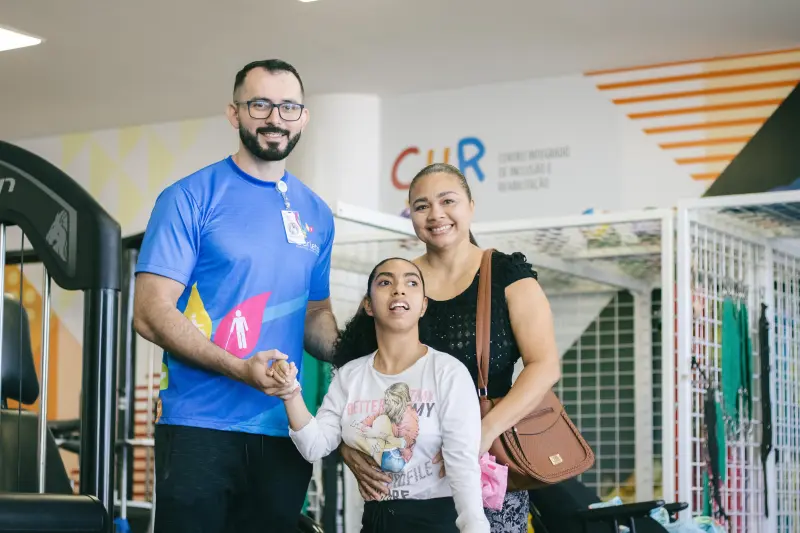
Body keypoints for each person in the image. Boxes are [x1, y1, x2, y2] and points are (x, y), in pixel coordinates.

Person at [132, 59, 338, 533]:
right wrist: (239, 368)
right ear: (234, 113)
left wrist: (364, 353)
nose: (274, 118)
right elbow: (149, 312)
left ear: (303, 117)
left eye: (289, 107)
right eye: (260, 104)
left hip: (285, 428)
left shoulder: (317, 214)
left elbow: (316, 314)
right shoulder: (189, 197)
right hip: (200, 427)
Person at [339, 162, 563, 532]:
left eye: (448, 201)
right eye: (422, 205)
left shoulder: (508, 275)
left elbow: (545, 366)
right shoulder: (396, 282)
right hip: (407, 475)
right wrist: (348, 446)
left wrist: (484, 432)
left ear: (471, 207)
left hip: (485, 467)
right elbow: (352, 372)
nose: (436, 214)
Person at [277, 257, 490, 533]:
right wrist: (290, 392)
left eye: (411, 283)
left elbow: (463, 465)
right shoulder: (350, 376)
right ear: (368, 304)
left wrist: (475, 527)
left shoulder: (448, 372)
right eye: (386, 282)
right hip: (376, 522)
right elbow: (314, 446)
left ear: (423, 305)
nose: (399, 290)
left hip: (438, 521)